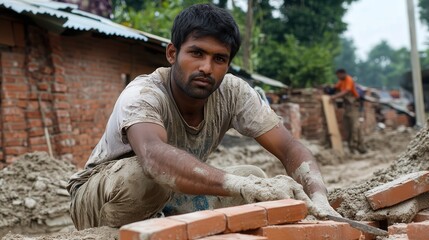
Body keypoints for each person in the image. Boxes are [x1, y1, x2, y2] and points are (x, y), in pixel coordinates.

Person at [67, 4, 339, 230]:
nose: (206, 68)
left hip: (168, 194)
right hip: (102, 197)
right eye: (197, 53)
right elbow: (153, 156)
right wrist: (238, 184)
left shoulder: (233, 92)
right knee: (146, 177)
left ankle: (169, 225)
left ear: (228, 64)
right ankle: (121, 234)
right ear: (173, 53)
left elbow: (289, 147)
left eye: (219, 59)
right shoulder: (144, 93)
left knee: (253, 176)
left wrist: (319, 195)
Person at [331, 69, 366, 154]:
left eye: (338, 75)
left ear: (343, 74)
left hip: (354, 106)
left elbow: (346, 91)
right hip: (347, 107)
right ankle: (354, 147)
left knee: (355, 127)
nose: (338, 77)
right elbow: (335, 88)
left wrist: (334, 97)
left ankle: (357, 147)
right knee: (347, 128)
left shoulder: (349, 80)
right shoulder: (341, 81)